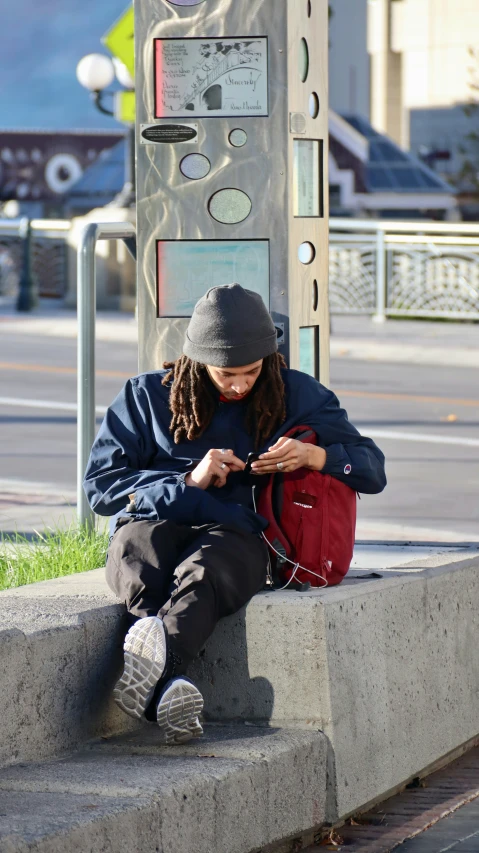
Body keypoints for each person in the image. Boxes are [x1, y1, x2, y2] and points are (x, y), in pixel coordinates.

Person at [84, 284, 386, 744]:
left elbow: (372, 468)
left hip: (239, 535)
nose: (241, 384)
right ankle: (168, 686)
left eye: (251, 370)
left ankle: (157, 676)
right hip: (156, 521)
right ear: (197, 361)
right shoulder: (144, 396)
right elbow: (100, 488)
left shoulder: (298, 394)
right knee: (135, 549)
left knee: (208, 569)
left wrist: (314, 456)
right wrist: (188, 481)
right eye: (227, 374)